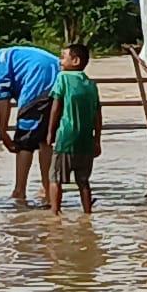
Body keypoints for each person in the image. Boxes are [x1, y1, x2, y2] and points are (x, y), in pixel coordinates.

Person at [0, 43, 60, 203]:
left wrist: (3, 131)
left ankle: (19, 191)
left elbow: (3, 99)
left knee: (24, 142)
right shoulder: (7, 54)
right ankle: (48, 189)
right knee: (44, 140)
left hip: (37, 81)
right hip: (58, 76)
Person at [47, 43, 102, 214]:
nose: (60, 60)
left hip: (66, 137)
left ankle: (55, 214)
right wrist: (97, 140)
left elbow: (56, 107)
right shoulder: (91, 84)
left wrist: (50, 132)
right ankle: (87, 213)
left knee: (55, 177)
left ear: (75, 60)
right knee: (83, 181)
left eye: (63, 57)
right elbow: (98, 114)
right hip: (86, 140)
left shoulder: (62, 78)